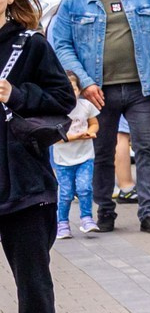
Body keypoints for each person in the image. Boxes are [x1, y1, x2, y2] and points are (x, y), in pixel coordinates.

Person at [47, 0, 150, 233]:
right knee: (101, 151)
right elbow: (62, 45)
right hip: (98, 91)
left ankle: (149, 213)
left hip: (142, 87)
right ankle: (105, 211)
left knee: (147, 148)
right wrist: (85, 82)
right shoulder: (75, 1)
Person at [0, 0, 76, 313]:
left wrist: (16, 94)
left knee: (31, 271)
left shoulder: (30, 45)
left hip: (23, 179)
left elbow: (63, 99)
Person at [53, 96, 97, 238]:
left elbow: (94, 123)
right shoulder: (54, 107)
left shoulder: (86, 105)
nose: (71, 93)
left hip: (85, 156)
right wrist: (76, 137)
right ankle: (62, 223)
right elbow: (53, 136)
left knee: (85, 188)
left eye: (75, 89)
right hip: (63, 161)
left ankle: (87, 218)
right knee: (66, 194)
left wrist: (91, 131)